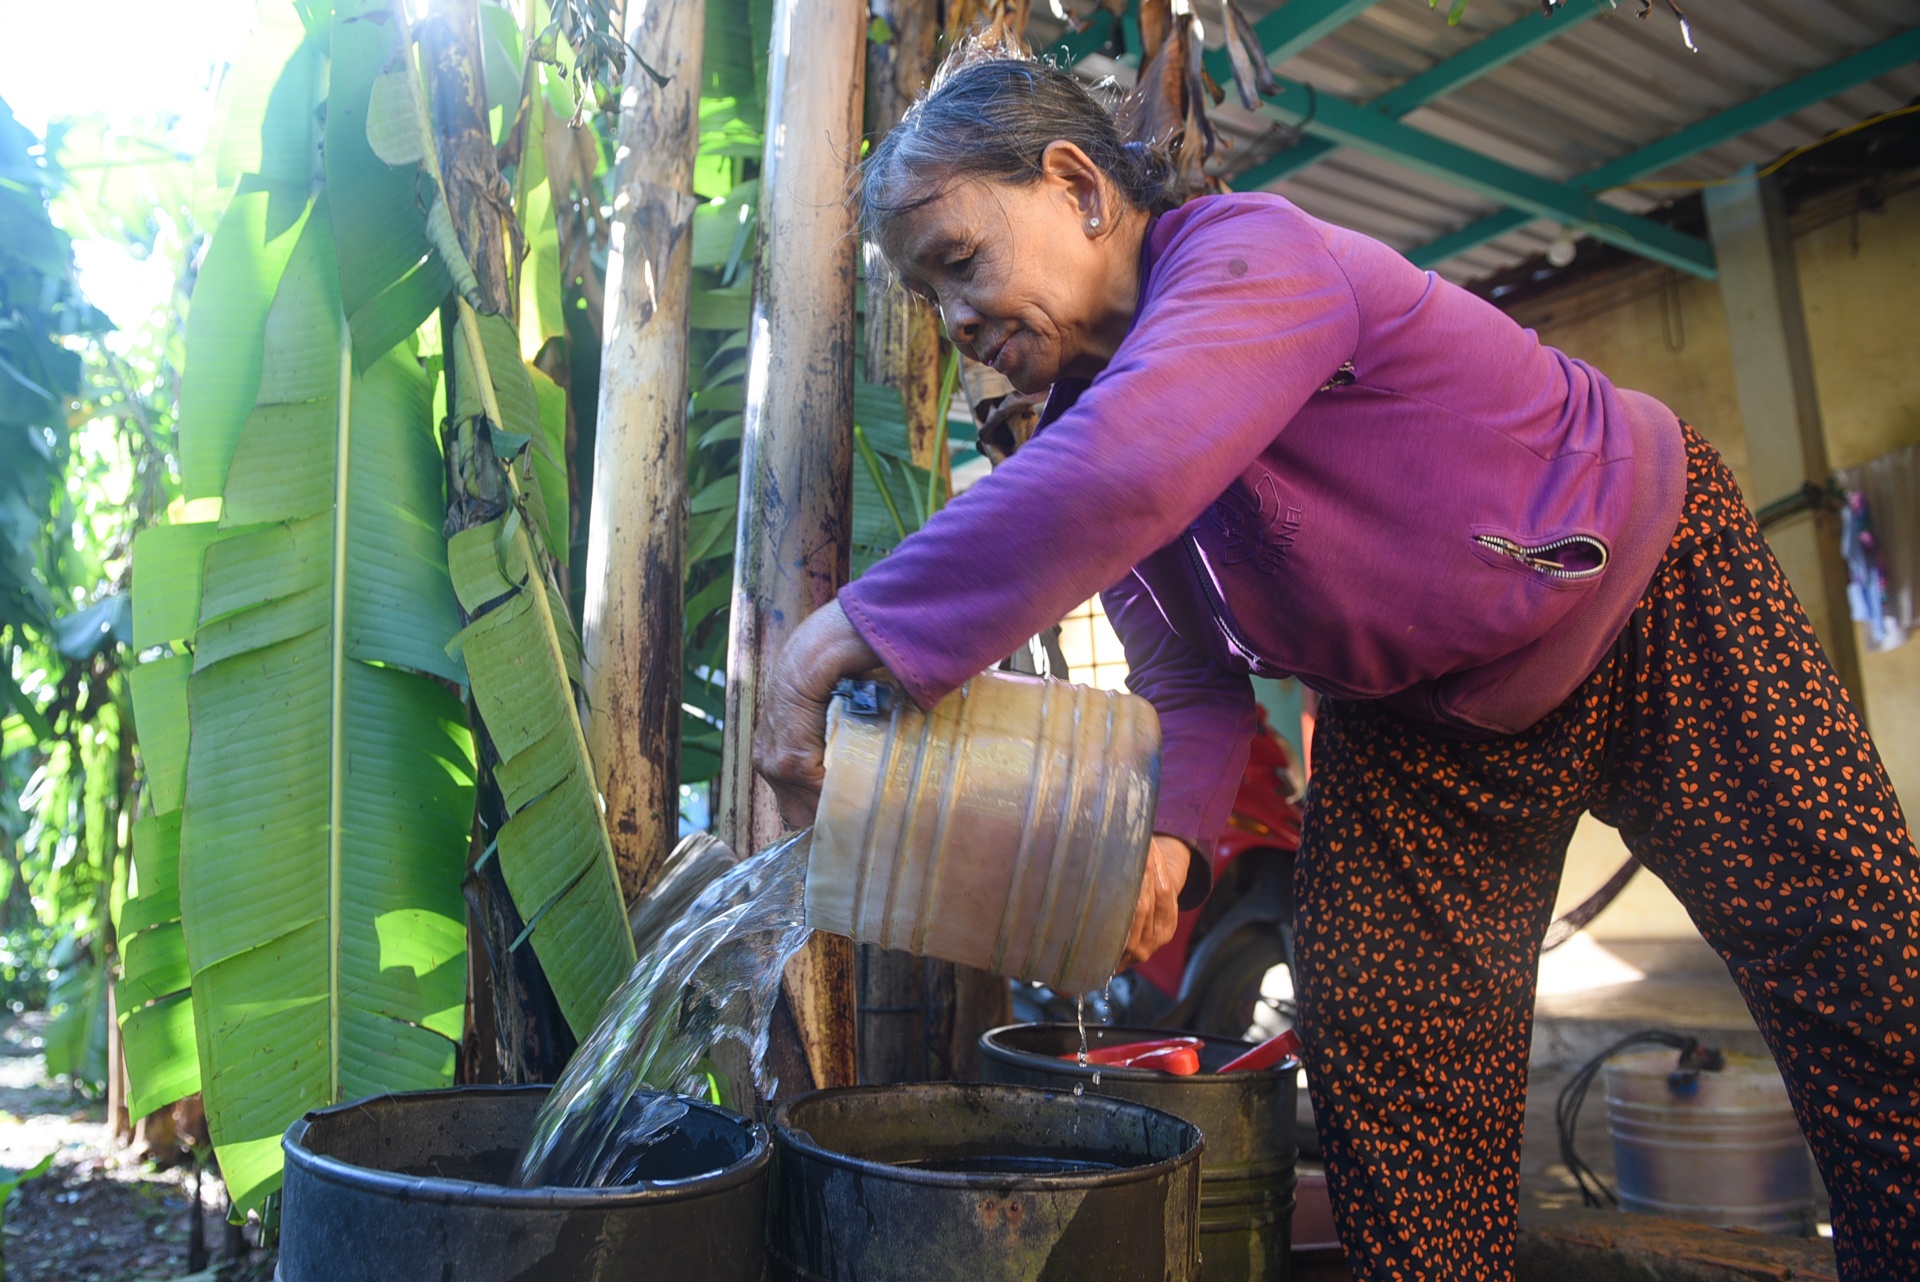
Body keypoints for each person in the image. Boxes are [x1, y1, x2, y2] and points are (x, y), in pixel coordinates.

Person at [751, 48, 1919, 1281]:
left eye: (960, 264)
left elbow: (1133, 464)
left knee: (1859, 971)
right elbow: (1190, 682)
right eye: (931, 297)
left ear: (1078, 187)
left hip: (1647, 590)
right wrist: (1172, 839)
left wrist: (839, 635)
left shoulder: (1251, 257)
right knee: (1387, 1063)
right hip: (1414, 716)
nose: (959, 321)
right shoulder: (1084, 417)